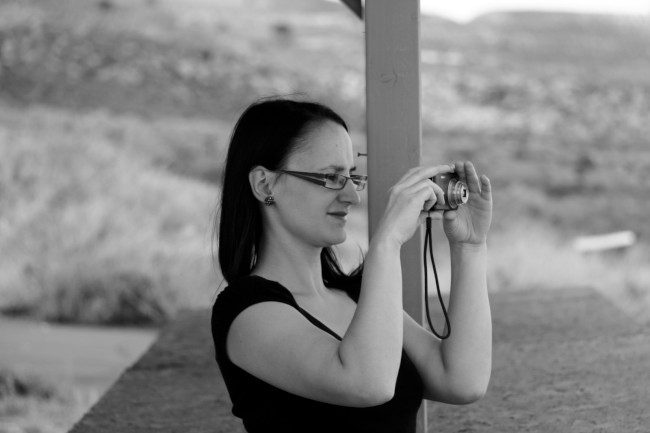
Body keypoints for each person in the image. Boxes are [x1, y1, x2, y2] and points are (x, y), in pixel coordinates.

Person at [211, 97, 493, 433]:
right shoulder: (246, 312)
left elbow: (461, 380)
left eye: (351, 177)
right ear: (265, 184)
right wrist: (387, 243)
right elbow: (368, 383)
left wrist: (470, 247)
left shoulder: (356, 297)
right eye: (331, 177)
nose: (352, 196)